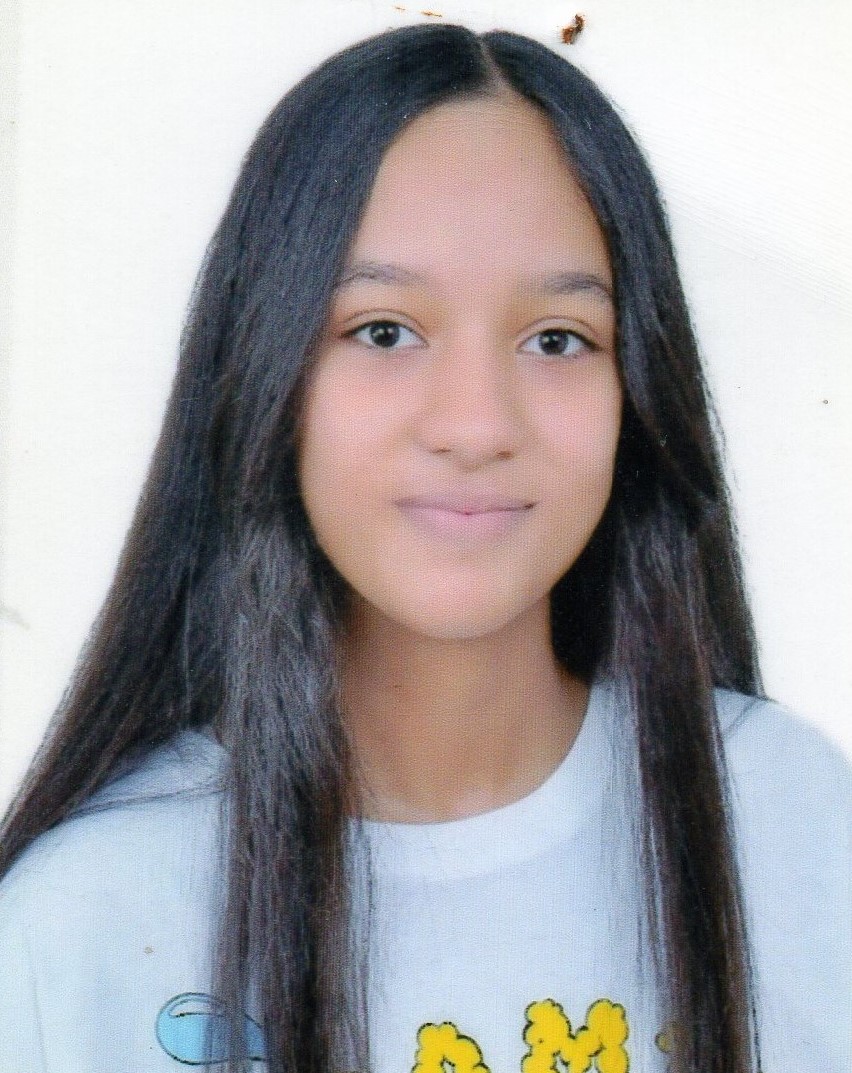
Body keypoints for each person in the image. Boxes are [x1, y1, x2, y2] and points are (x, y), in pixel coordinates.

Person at [0, 22, 848, 1073]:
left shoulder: (791, 817)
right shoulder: (75, 927)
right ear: (265, 370)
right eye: (385, 331)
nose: (476, 423)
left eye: (557, 339)